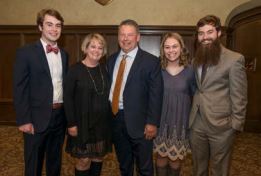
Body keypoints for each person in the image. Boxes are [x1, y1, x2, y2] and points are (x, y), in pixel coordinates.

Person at [189, 15, 248, 176]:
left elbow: (240, 96)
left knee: (219, 170)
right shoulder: (196, 60)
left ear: (219, 33)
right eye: (201, 33)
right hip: (197, 123)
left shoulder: (234, 59)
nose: (205, 37)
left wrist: (235, 125)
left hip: (222, 126)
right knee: (198, 168)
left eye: (209, 32)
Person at [13, 9, 69, 176]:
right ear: (40, 27)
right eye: (49, 24)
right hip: (35, 119)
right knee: (33, 165)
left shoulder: (64, 54)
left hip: (59, 117)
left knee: (55, 162)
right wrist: (24, 120)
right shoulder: (26, 53)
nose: (54, 29)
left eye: (58, 25)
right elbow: (19, 88)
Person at [107, 19, 163, 176]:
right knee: (124, 165)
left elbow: (156, 95)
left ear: (138, 37)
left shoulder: (151, 62)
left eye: (129, 35)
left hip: (141, 123)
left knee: (144, 168)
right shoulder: (111, 60)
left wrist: (152, 123)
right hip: (116, 119)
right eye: (122, 35)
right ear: (118, 37)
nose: (125, 38)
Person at [64, 33, 112, 176]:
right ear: (85, 48)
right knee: (84, 160)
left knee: (98, 157)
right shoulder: (75, 70)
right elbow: (67, 98)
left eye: (100, 47)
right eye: (93, 46)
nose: (96, 50)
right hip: (82, 124)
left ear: (103, 51)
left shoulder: (105, 70)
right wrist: (71, 123)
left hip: (102, 124)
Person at [154, 32, 196, 176]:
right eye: (167, 47)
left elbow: (195, 96)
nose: (171, 50)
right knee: (160, 158)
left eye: (174, 46)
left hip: (180, 123)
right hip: (160, 121)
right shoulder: (157, 69)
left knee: (175, 160)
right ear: (162, 49)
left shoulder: (191, 71)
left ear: (181, 47)